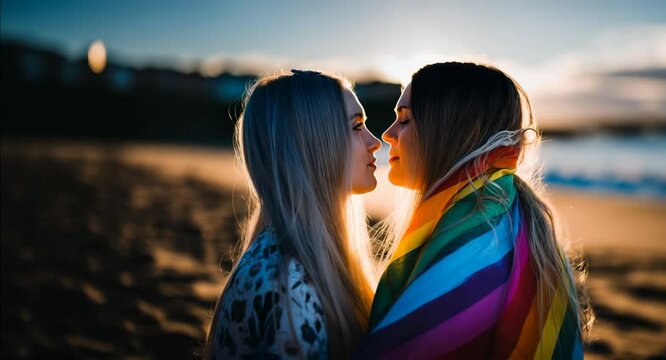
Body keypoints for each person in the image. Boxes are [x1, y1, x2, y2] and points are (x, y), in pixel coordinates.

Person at [360, 62, 588, 359]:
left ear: (449, 132)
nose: (388, 134)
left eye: (404, 120)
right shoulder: (504, 211)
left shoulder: (479, 237)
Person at [206, 70, 381, 359]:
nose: (375, 142)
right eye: (356, 126)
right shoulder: (287, 288)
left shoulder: (299, 263)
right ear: (313, 143)